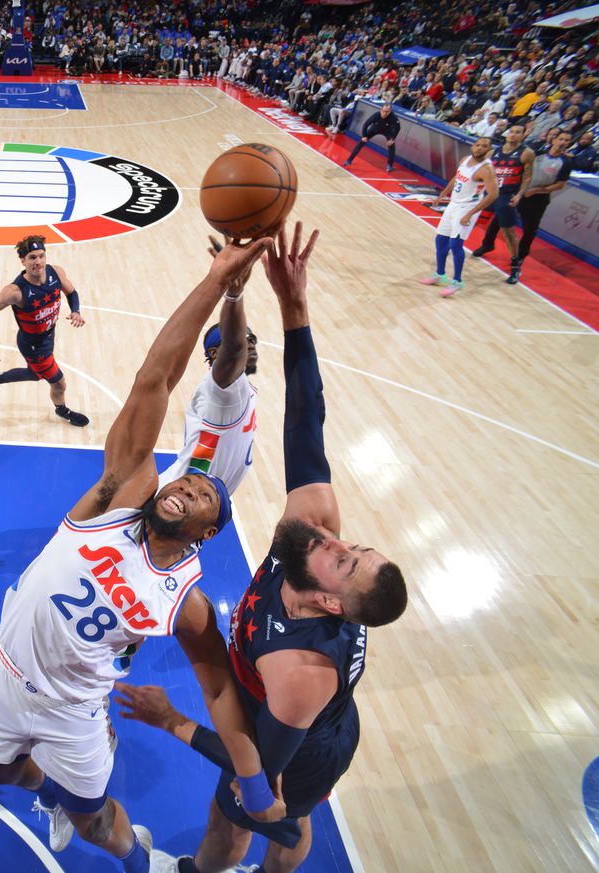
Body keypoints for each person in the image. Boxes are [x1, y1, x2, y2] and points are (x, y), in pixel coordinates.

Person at [0, 236, 284, 873]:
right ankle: (52, 795)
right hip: (5, 667)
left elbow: (219, 681)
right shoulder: (115, 498)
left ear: (206, 533)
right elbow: (153, 380)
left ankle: (141, 861)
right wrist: (219, 279)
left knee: (99, 826)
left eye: (203, 495)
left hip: (74, 708)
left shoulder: (186, 600)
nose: (188, 485)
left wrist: (251, 776)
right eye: (186, 478)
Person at [114, 223, 407, 873]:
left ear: (329, 597)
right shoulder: (311, 531)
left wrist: (173, 722)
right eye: (354, 543)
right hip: (294, 711)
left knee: (245, 817)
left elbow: (257, 771)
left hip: (299, 750)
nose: (336, 538)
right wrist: (294, 307)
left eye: (345, 557)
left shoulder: (303, 670)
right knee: (285, 818)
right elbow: (307, 419)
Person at [157, 242, 259, 494]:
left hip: (198, 498)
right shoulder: (224, 391)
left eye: (252, 340)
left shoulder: (239, 386)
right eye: (243, 341)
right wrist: (234, 295)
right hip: (179, 497)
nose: (250, 346)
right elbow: (234, 353)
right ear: (215, 354)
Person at [0, 235, 89, 427]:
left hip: (48, 335)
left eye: (41, 256)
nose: (38, 261)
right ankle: (62, 410)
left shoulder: (56, 273)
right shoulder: (15, 292)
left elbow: (72, 292)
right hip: (34, 346)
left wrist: (75, 311)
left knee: (35, 375)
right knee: (59, 383)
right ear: (23, 261)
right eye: (32, 257)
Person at [420, 136, 498, 297]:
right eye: (477, 145)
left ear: (489, 150)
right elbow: (457, 178)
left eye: (484, 146)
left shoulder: (486, 169)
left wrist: (470, 213)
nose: (479, 148)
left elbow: (493, 194)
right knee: (440, 239)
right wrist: (442, 194)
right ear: (473, 146)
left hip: (467, 208)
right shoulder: (465, 159)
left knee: (455, 244)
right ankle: (440, 275)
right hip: (453, 204)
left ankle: (457, 281)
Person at [509, 128, 574, 285]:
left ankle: (519, 260)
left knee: (530, 230)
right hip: (520, 191)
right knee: (501, 218)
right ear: (553, 139)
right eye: (561, 139)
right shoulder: (536, 152)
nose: (562, 142)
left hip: (538, 198)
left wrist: (538, 190)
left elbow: (560, 185)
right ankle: (487, 244)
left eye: (566, 140)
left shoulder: (566, 162)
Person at [471, 123, 534, 284]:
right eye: (511, 131)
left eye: (517, 132)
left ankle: (515, 266)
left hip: (507, 195)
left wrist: (520, 195)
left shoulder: (526, 153)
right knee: (469, 218)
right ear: (506, 134)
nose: (513, 134)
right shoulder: (493, 152)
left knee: (508, 232)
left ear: (522, 135)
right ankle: (478, 245)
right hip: (490, 192)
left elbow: (527, 177)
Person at [342, 102, 400, 173]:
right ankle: (349, 160)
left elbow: (398, 128)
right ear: (380, 110)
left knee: (391, 146)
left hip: (387, 131)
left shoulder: (393, 117)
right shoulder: (376, 115)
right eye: (384, 111)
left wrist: (392, 139)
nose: (385, 113)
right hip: (375, 129)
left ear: (390, 111)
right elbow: (366, 125)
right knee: (361, 142)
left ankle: (390, 165)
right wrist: (364, 136)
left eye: (387, 112)